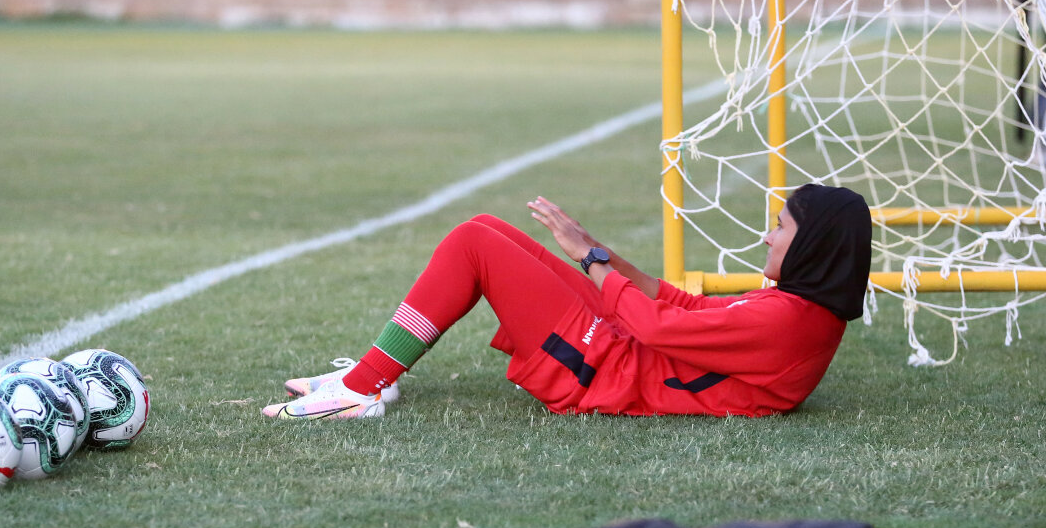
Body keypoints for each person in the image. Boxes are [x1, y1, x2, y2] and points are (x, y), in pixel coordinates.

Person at [262, 184, 873, 420]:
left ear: (814, 246)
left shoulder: (790, 322)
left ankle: (364, 387)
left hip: (602, 370)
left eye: (781, 228)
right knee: (488, 229)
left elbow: (654, 326)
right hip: (620, 350)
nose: (768, 237)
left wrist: (591, 261)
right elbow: (676, 303)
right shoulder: (798, 310)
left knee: (475, 242)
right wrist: (596, 251)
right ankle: (379, 376)